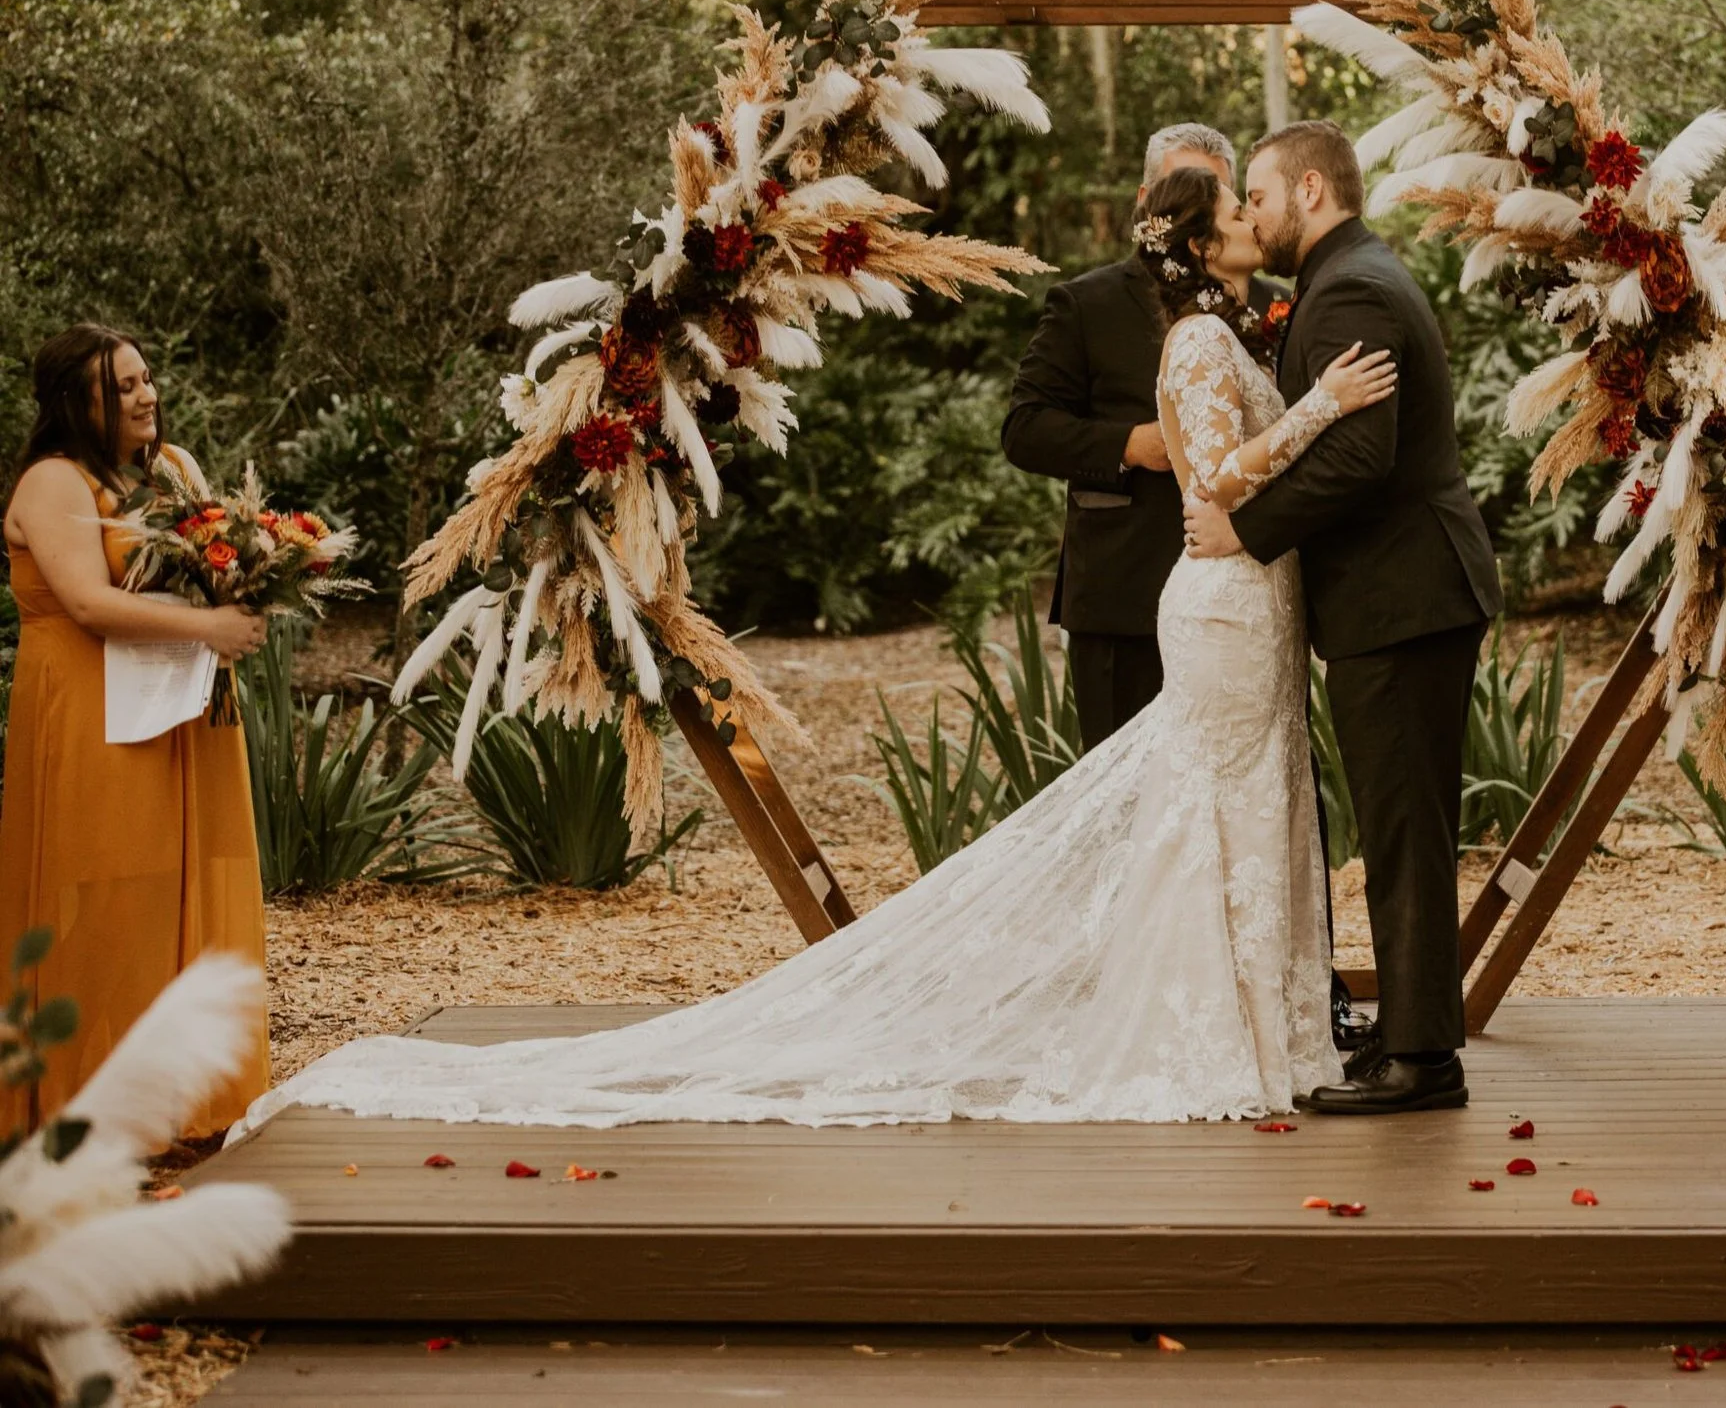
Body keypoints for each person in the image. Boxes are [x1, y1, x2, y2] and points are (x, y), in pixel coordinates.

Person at [234, 167, 1396, 1135]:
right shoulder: (1189, 335)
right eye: (1236, 207)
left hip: (1245, 595)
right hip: (1211, 596)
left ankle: (1266, 1025)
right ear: (1195, 238)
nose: (1254, 215)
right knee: (1203, 812)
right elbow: (1199, 468)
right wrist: (1319, 409)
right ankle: (1200, 1027)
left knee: (1244, 808)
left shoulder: (1234, 325)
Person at [1185, 121, 1503, 1116]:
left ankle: (1423, 1058)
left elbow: (1362, 457)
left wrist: (1245, 528)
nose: (1251, 216)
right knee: (1404, 823)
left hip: (1401, 595)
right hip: (1404, 593)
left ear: (1311, 189)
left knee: (1404, 829)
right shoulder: (1351, 273)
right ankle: (1411, 1035)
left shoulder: (1351, 288)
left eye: (1260, 197)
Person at [1, 324, 270, 1139]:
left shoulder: (173, 468)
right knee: (104, 895)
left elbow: (215, 562)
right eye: (123, 386)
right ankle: (82, 1105)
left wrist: (259, 580)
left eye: (146, 377)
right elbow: (87, 601)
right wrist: (209, 627)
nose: (146, 394)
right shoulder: (54, 481)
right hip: (90, 711)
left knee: (179, 885)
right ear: (75, 402)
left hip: (180, 709)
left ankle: (184, 1098)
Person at [1006, 123, 1272, 751]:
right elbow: (1025, 428)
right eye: (1181, 191)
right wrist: (1131, 446)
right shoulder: (1086, 303)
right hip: (1123, 599)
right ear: (1145, 200)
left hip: (1244, 596)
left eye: (1214, 194)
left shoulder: (1272, 301)